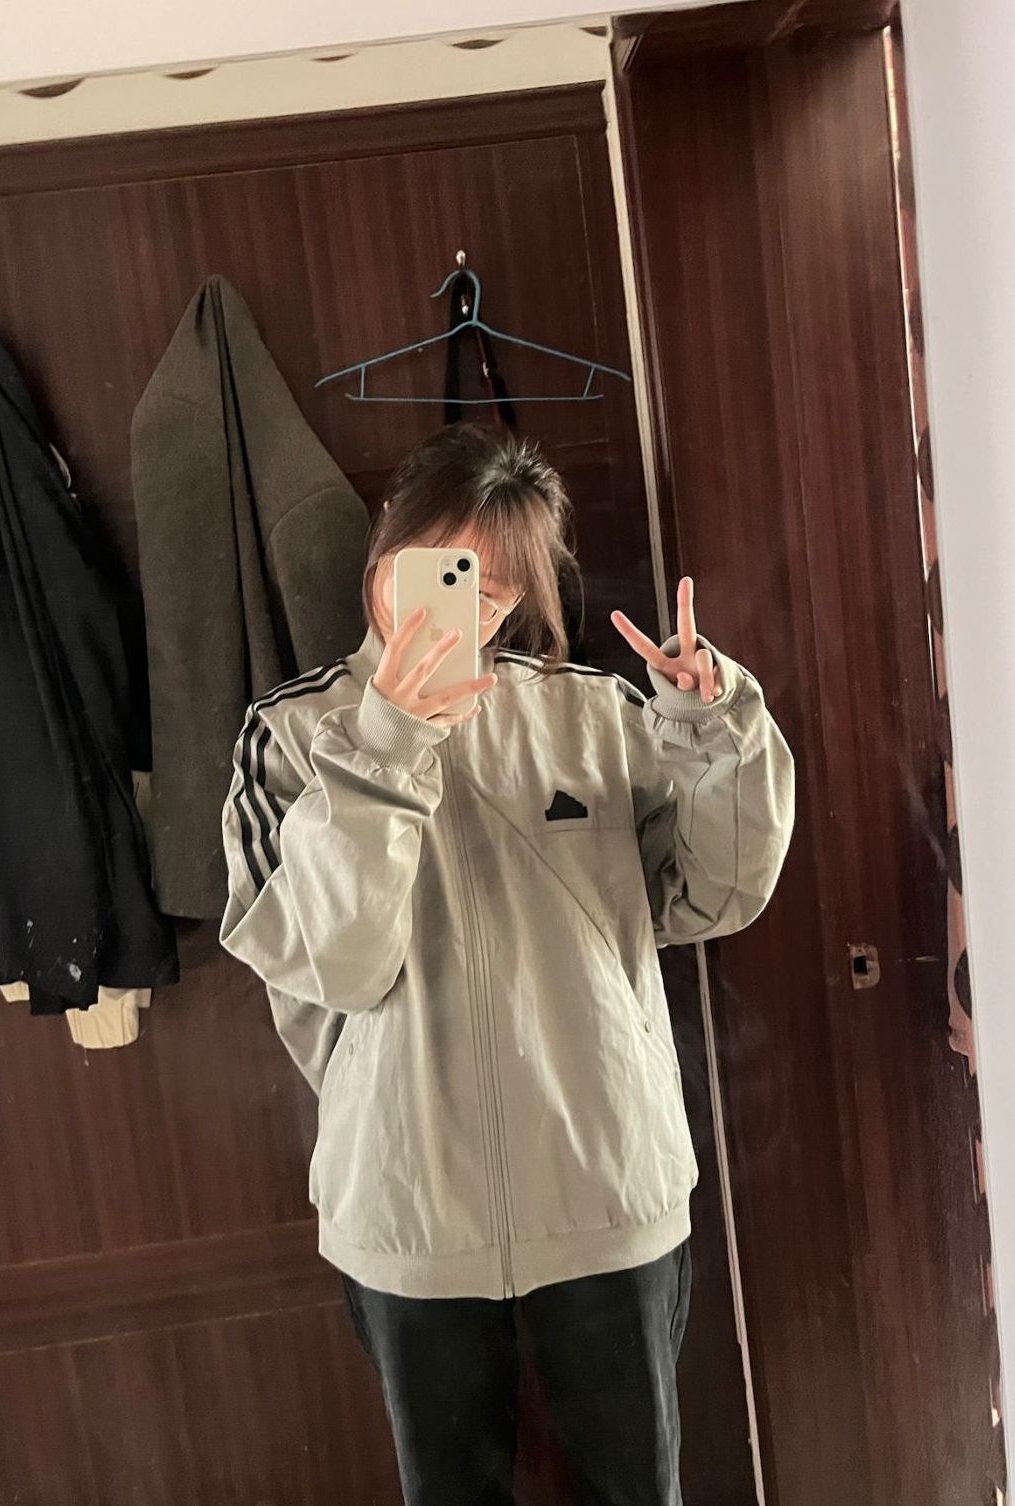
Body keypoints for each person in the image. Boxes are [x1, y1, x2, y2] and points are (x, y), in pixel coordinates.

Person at [220, 422, 794, 1506]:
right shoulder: (289, 738)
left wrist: (713, 728)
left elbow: (715, 894)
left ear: (520, 596)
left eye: (489, 586)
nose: (462, 602)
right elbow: (336, 964)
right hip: (409, 1214)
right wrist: (388, 739)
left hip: (609, 1188)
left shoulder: (594, 714)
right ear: (384, 550)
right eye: (438, 566)